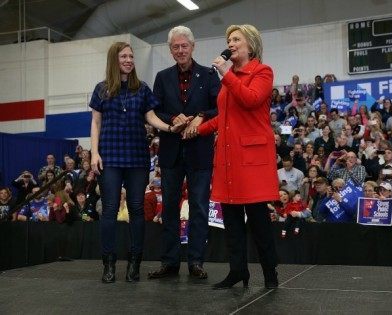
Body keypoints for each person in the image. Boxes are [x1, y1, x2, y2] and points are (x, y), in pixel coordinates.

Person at [187, 24, 279, 289]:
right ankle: (238, 271)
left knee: (259, 220)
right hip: (229, 158)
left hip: (251, 158)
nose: (231, 43)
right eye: (229, 40)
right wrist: (198, 129)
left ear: (250, 44)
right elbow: (225, 118)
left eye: (236, 39)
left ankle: (270, 273)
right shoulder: (229, 79)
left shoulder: (262, 72)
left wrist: (226, 74)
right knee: (231, 220)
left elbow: (250, 99)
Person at [89, 41, 185, 284]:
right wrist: (94, 154)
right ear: (114, 60)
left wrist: (170, 127)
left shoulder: (141, 89)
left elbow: (151, 117)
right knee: (110, 209)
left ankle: (135, 264)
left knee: (137, 210)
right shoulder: (101, 89)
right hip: (109, 156)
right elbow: (96, 123)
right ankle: (108, 264)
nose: (129, 60)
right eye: (124, 56)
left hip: (137, 157)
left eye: (131, 56)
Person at [148, 26, 220, 281]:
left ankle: (196, 262)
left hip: (200, 151)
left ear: (193, 46)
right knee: (168, 208)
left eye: (184, 46)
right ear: (170, 50)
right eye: (175, 47)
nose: (180, 50)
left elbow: (220, 108)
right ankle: (169, 262)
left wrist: (201, 117)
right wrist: (172, 119)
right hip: (170, 151)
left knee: (199, 208)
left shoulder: (210, 75)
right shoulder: (162, 76)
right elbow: (154, 111)